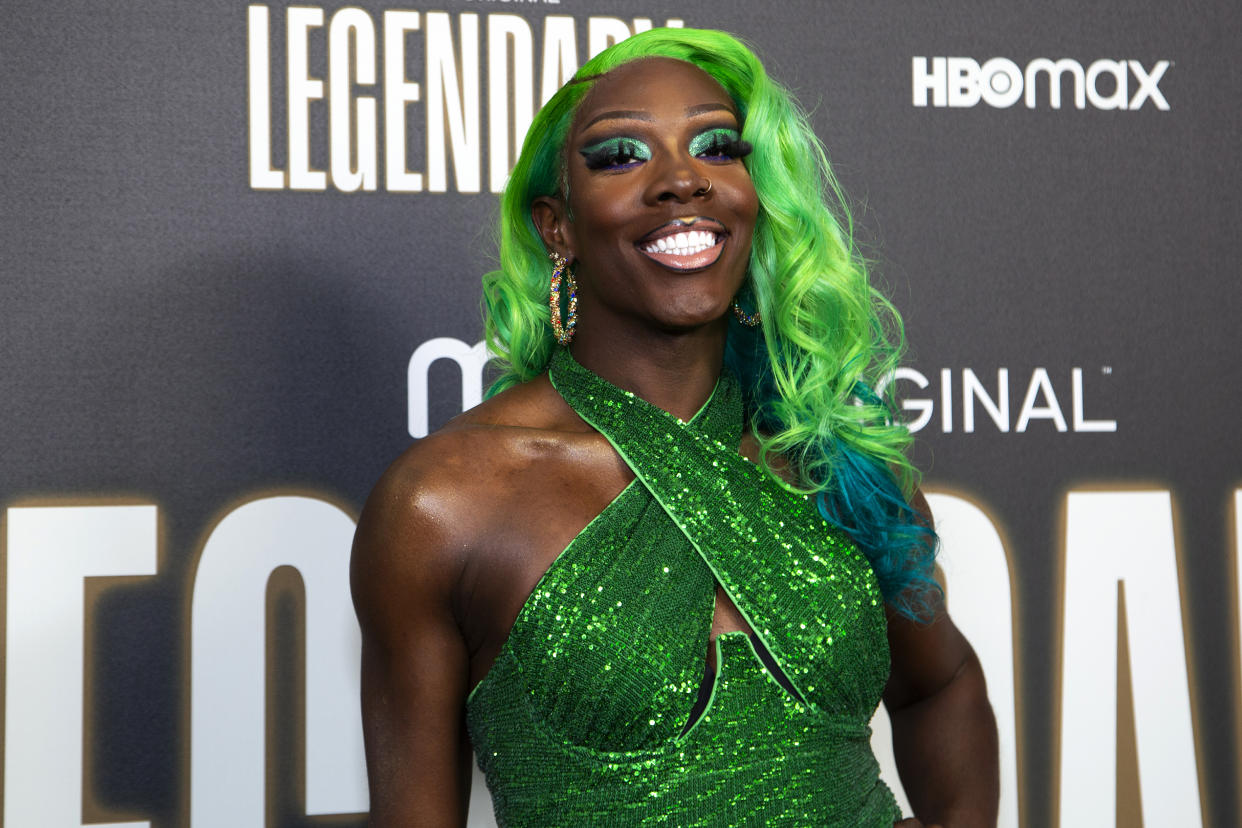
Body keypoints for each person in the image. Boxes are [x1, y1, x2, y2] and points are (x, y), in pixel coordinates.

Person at [352, 28, 998, 827]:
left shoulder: (834, 459)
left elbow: (941, 683)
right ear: (556, 226)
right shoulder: (441, 504)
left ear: (759, 195)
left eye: (718, 146)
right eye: (621, 155)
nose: (682, 180)